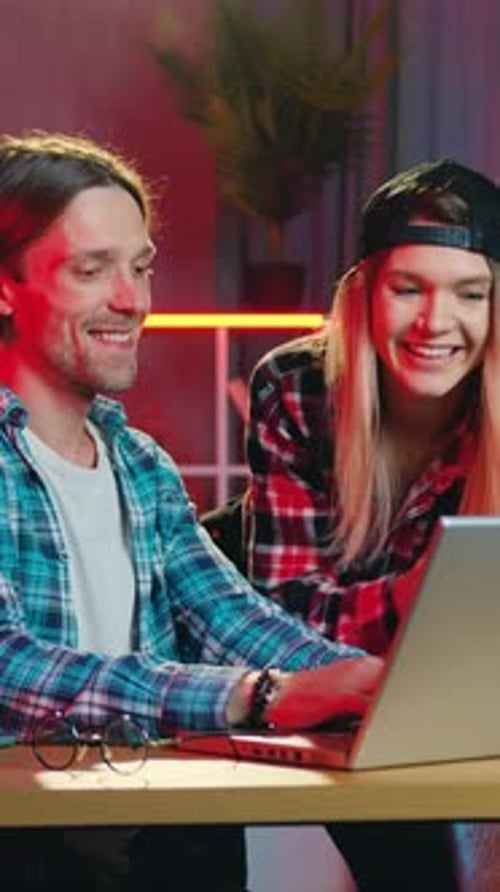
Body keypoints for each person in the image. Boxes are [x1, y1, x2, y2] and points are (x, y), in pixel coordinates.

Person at [0, 130, 383, 892]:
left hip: (150, 844)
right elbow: (8, 666)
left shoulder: (140, 464)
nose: (132, 300)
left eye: (140, 267)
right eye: (91, 270)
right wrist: (256, 695)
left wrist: (371, 684)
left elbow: (231, 617)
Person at [244, 158, 500, 890]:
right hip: (343, 709)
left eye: (470, 293)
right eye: (407, 289)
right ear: (364, 295)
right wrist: (413, 596)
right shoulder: (297, 387)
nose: (435, 322)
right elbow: (283, 620)